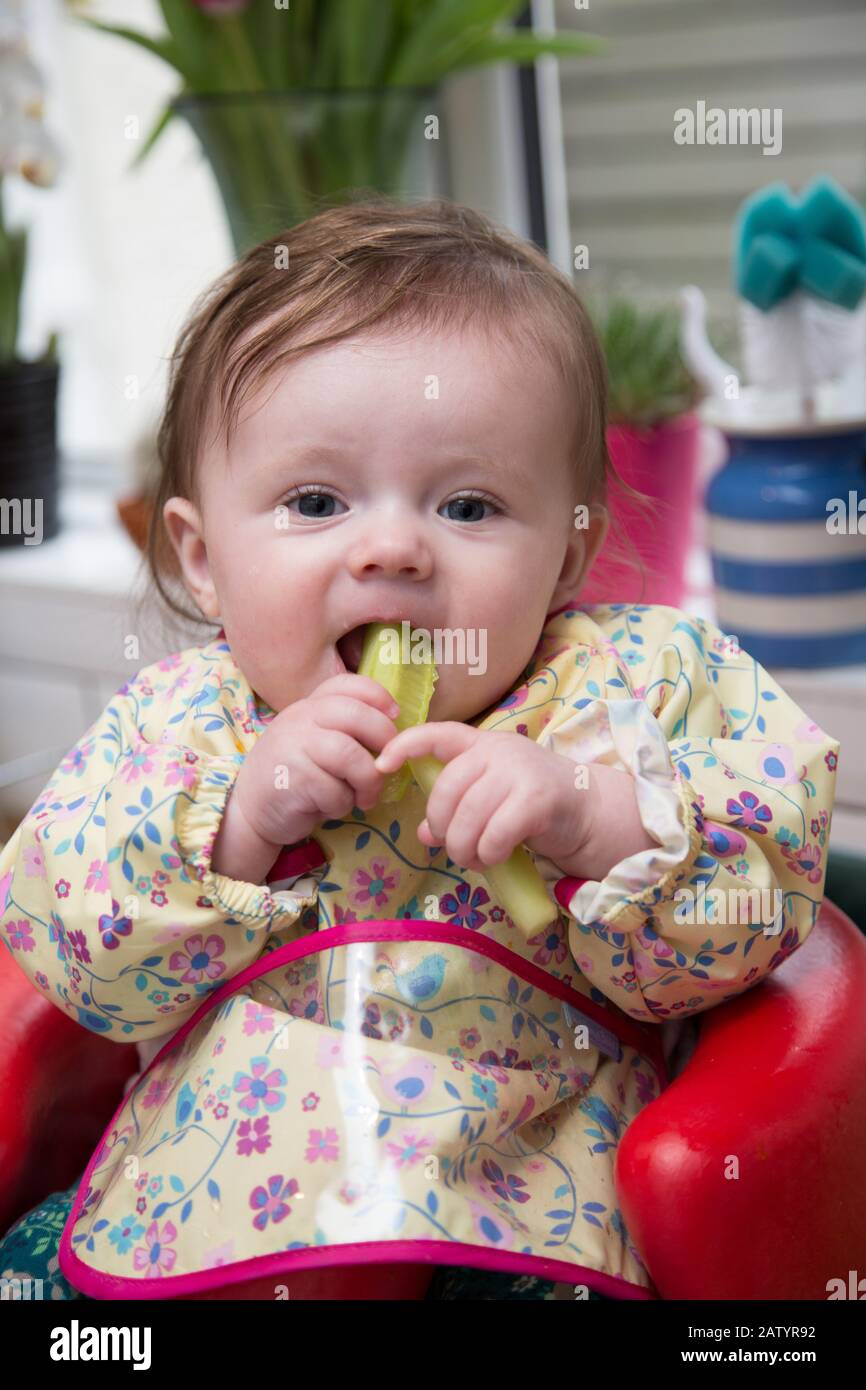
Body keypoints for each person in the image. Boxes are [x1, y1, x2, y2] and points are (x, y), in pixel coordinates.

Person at [0, 199, 840, 1302]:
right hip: (206, 1202)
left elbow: (764, 900)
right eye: (314, 500)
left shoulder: (631, 689)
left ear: (565, 552)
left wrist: (591, 817)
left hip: (521, 1200)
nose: (391, 547)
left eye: (467, 504)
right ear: (203, 559)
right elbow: (80, 960)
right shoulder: (178, 726)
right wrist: (239, 825)